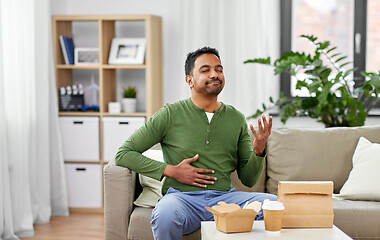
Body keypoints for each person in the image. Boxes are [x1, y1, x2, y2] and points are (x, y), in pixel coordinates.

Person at [115, 46, 276, 240]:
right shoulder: (170, 114)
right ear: (189, 80)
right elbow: (123, 154)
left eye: (219, 69)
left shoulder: (236, 118)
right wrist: (171, 170)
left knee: (274, 205)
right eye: (205, 70)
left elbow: (248, 179)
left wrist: (258, 150)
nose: (215, 74)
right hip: (181, 199)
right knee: (165, 214)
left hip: (225, 199)